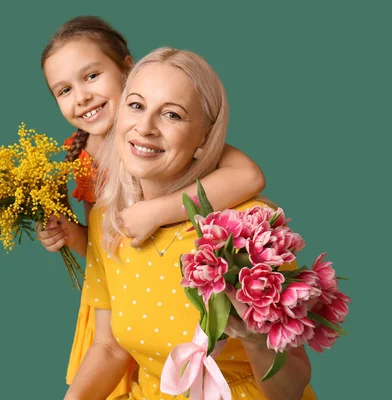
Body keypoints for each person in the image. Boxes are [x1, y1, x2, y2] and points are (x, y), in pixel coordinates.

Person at [64, 47, 317, 400]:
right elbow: (108, 348)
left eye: (171, 115)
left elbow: (290, 391)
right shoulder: (107, 219)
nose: (145, 127)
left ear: (204, 137)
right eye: (136, 106)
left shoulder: (248, 231)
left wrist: (256, 338)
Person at [39, 16, 266, 399]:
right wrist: (69, 234)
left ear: (129, 69)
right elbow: (108, 252)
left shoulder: (177, 136)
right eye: (64, 90)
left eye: (91, 76)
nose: (81, 97)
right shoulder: (78, 157)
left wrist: (157, 211)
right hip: (122, 306)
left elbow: (248, 176)